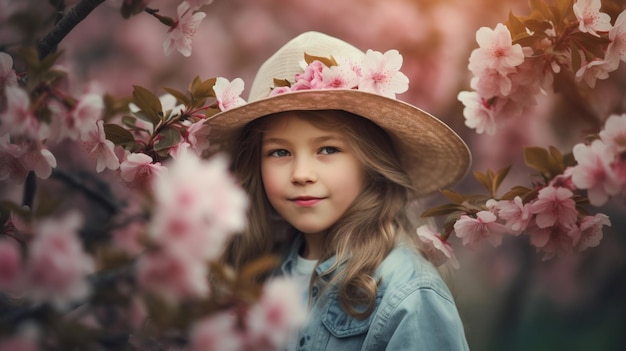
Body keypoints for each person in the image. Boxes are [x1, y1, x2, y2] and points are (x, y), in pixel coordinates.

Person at [208, 31, 472, 350]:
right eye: (280, 152)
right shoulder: (261, 274)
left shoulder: (408, 293)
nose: (302, 174)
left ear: (369, 161)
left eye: (328, 149)